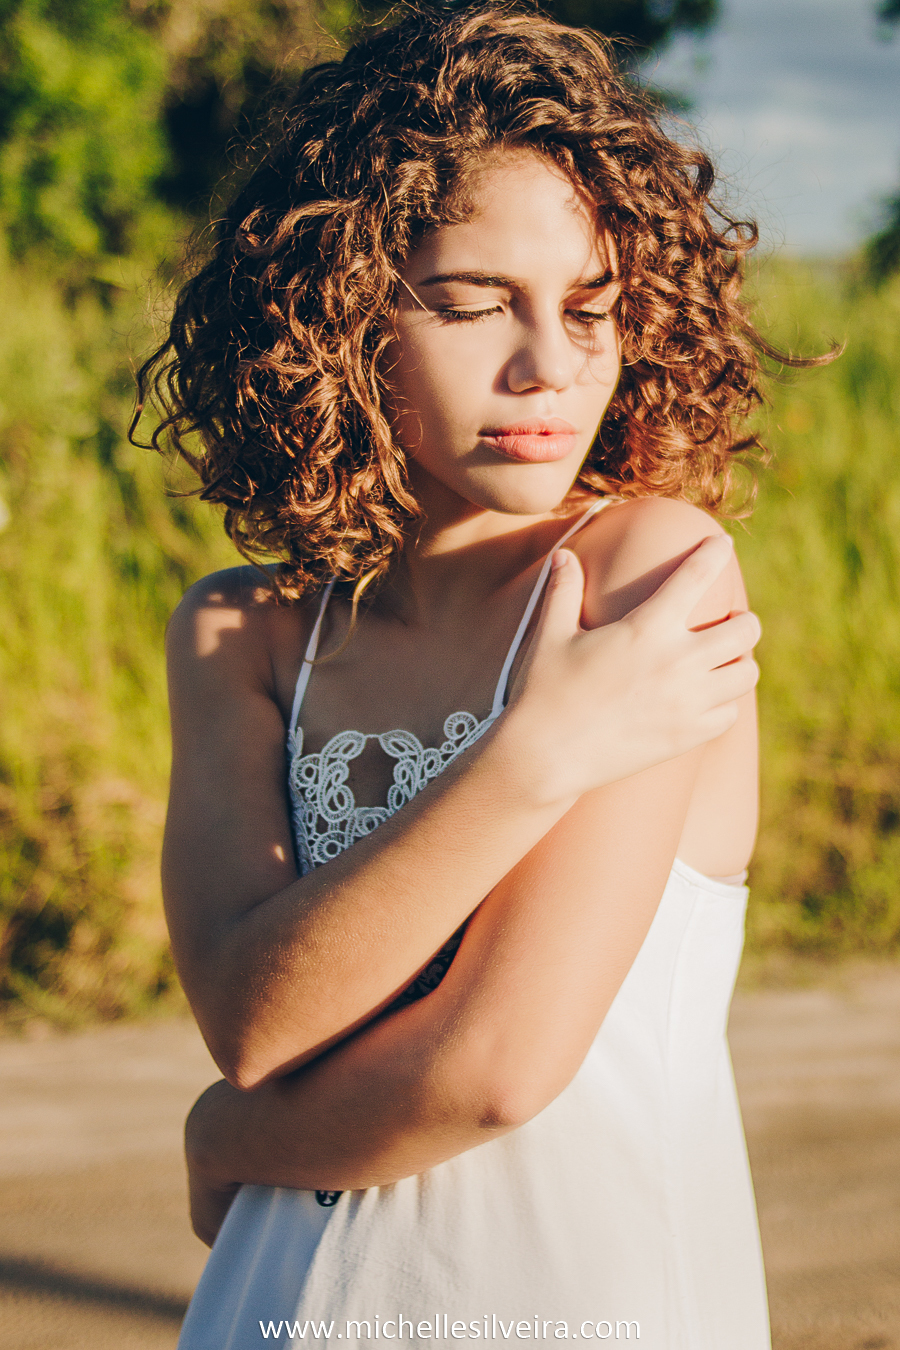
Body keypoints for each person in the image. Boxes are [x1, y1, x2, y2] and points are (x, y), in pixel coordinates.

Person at [137, 6, 779, 1346]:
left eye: (590, 309)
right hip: (279, 1303)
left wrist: (225, 1141)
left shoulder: (653, 568)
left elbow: (495, 1071)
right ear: (337, 313)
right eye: (477, 304)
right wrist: (536, 753)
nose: (550, 367)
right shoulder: (243, 632)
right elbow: (254, 1019)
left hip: (581, 1307)